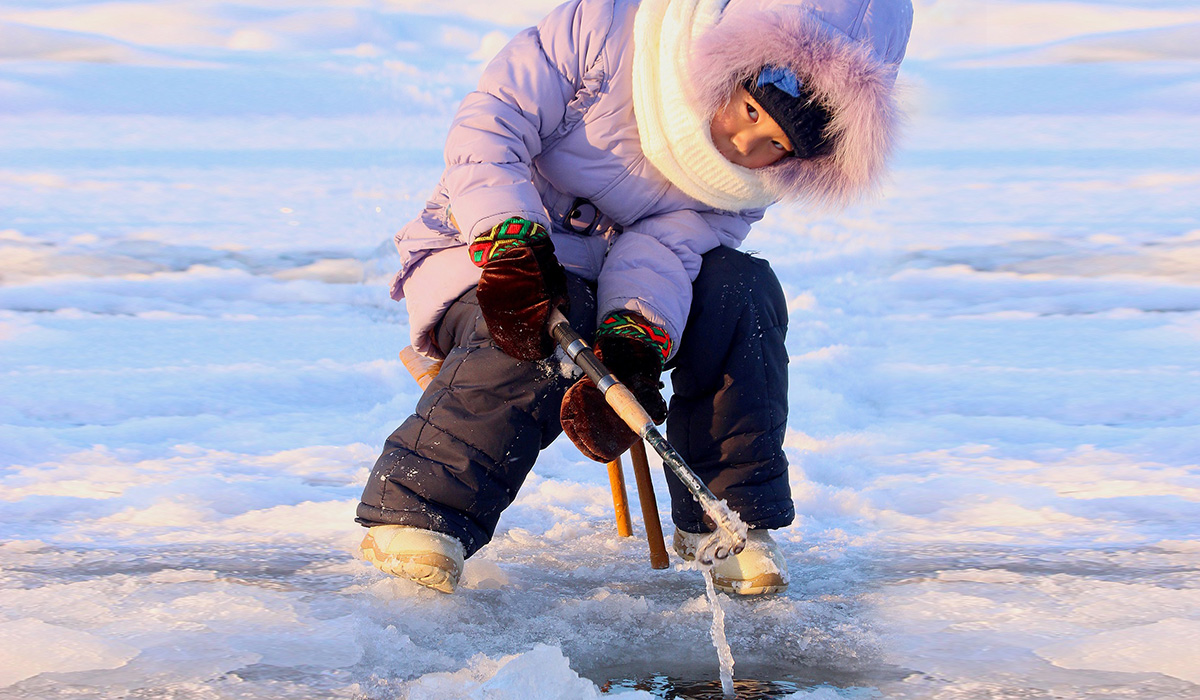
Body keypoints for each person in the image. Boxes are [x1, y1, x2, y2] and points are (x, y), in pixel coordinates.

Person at [356, 0, 913, 594]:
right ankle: (418, 516)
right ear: (734, 62)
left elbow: (666, 248)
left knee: (742, 291)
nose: (743, 145)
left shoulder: (748, 182)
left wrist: (633, 339)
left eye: (773, 144)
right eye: (749, 110)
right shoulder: (607, 29)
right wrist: (510, 239)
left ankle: (726, 520)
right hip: (484, 252)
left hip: (626, 290)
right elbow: (493, 125)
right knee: (549, 319)